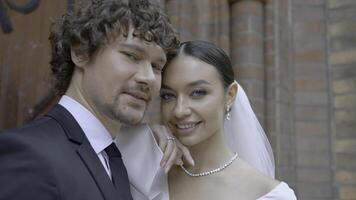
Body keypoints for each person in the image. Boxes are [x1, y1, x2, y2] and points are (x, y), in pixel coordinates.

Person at [0, 1, 193, 200]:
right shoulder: (28, 153)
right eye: (131, 55)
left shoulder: (119, 157)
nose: (149, 78)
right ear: (81, 52)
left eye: (157, 66)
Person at [158, 41, 297, 199]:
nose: (179, 110)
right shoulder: (147, 173)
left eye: (197, 93)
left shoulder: (270, 194)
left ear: (230, 96)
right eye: (168, 96)